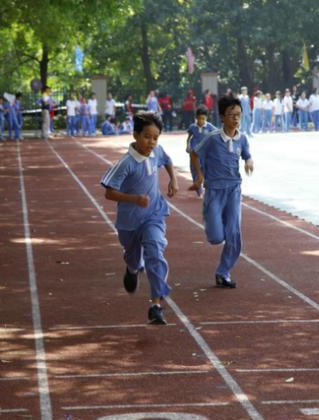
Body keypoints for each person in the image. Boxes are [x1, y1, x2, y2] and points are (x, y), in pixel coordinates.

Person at [101, 112, 178, 325]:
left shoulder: (157, 151)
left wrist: (173, 179)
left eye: (155, 137)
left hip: (153, 215)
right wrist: (134, 199)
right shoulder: (126, 163)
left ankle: (155, 305)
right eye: (147, 137)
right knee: (134, 257)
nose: (151, 142)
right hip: (129, 222)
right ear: (135, 135)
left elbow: (167, 160)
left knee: (155, 250)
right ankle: (132, 268)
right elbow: (109, 192)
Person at [189, 95, 254, 289]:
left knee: (234, 233)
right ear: (222, 117)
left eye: (238, 115)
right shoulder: (212, 138)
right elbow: (194, 153)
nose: (235, 119)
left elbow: (247, 155)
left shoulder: (242, 138)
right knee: (216, 237)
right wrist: (199, 176)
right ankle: (211, 217)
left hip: (234, 189)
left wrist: (249, 162)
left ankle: (223, 272)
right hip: (214, 191)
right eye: (231, 115)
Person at [186, 105, 216, 197]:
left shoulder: (210, 127)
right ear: (196, 118)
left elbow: (217, 135)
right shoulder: (192, 127)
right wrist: (187, 145)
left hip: (205, 153)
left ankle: (206, 186)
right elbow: (189, 137)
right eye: (199, 118)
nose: (201, 121)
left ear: (206, 118)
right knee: (194, 170)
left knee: (206, 170)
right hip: (194, 153)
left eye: (203, 119)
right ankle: (198, 189)